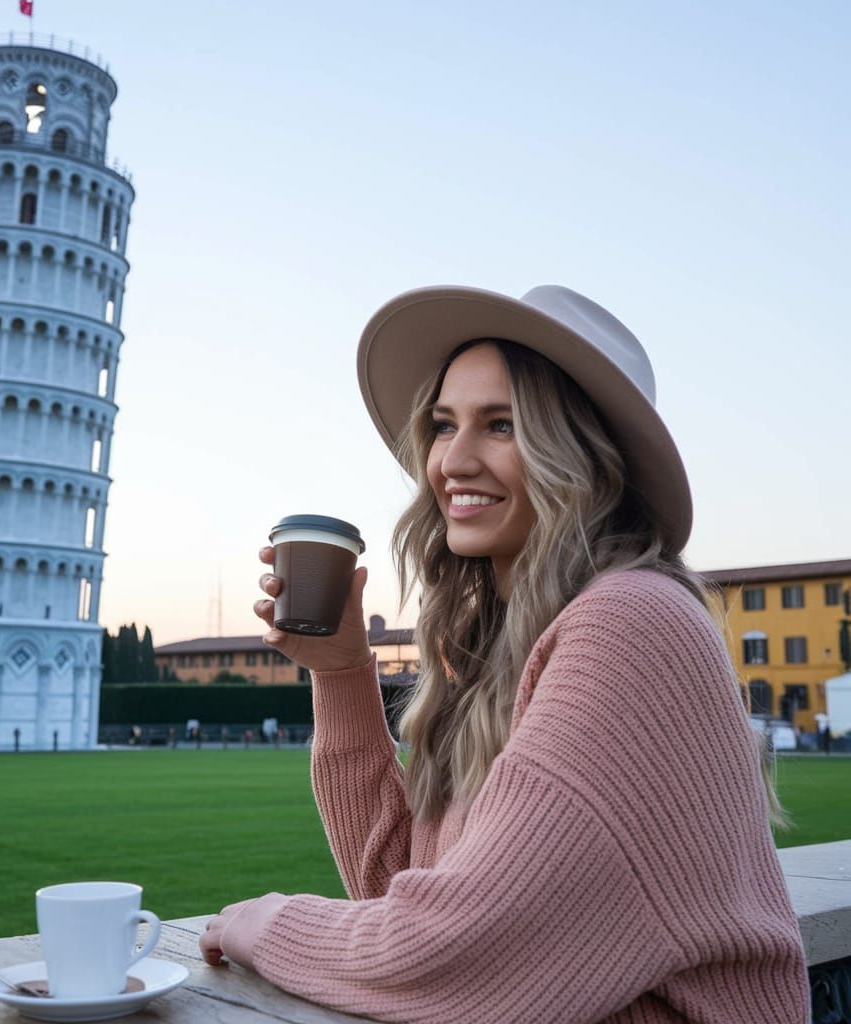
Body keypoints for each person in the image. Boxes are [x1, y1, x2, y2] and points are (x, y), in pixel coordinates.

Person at [199, 284, 810, 1022]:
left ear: (586, 456)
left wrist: (268, 924)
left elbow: (450, 952)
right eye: (441, 425)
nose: (451, 460)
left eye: (501, 426)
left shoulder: (633, 623)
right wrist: (342, 676)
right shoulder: (498, 658)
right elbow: (400, 885)